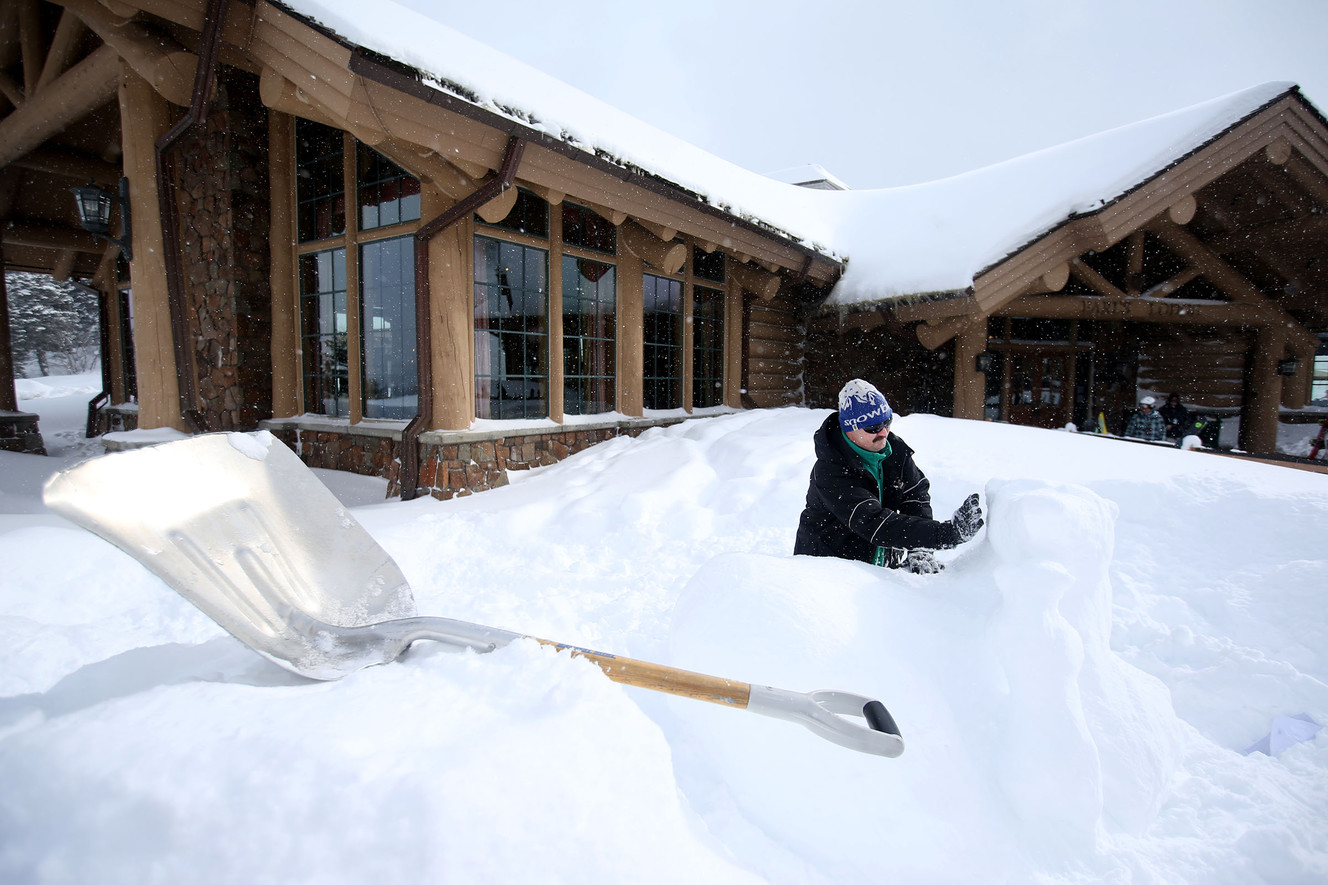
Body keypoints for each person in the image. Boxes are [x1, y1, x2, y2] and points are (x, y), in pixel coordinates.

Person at [794, 379, 985, 574]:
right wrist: (947, 534)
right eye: (873, 428)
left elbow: (915, 495)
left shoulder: (894, 451)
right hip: (827, 572)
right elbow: (875, 523)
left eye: (887, 422)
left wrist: (919, 550)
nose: (884, 432)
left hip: (878, 571)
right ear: (849, 428)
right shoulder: (830, 470)